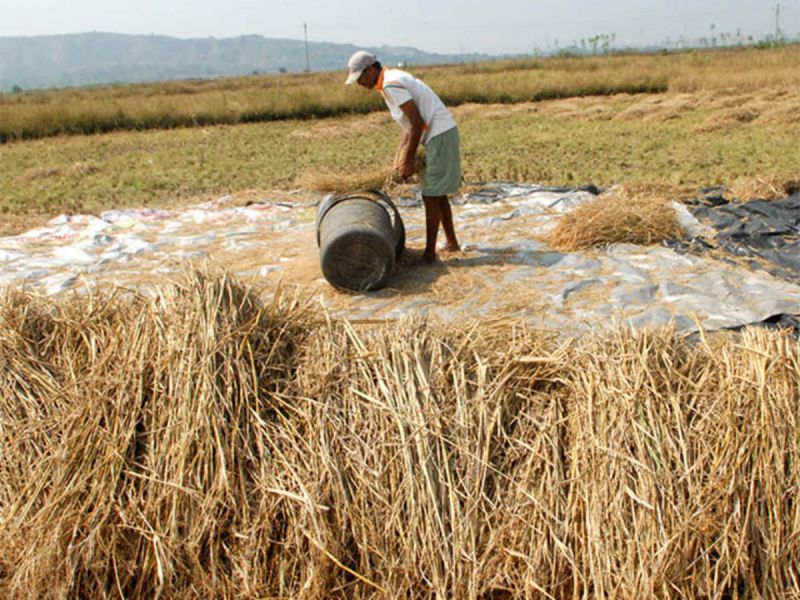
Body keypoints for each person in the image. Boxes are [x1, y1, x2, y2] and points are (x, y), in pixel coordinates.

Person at [346, 50, 461, 263]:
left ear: (371, 70)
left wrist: (408, 160)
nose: (359, 83)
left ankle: (429, 254)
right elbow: (407, 126)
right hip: (438, 135)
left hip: (439, 135)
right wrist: (399, 158)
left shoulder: (391, 84)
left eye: (360, 77)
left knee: (431, 196)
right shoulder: (388, 82)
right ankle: (451, 243)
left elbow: (417, 122)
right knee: (438, 193)